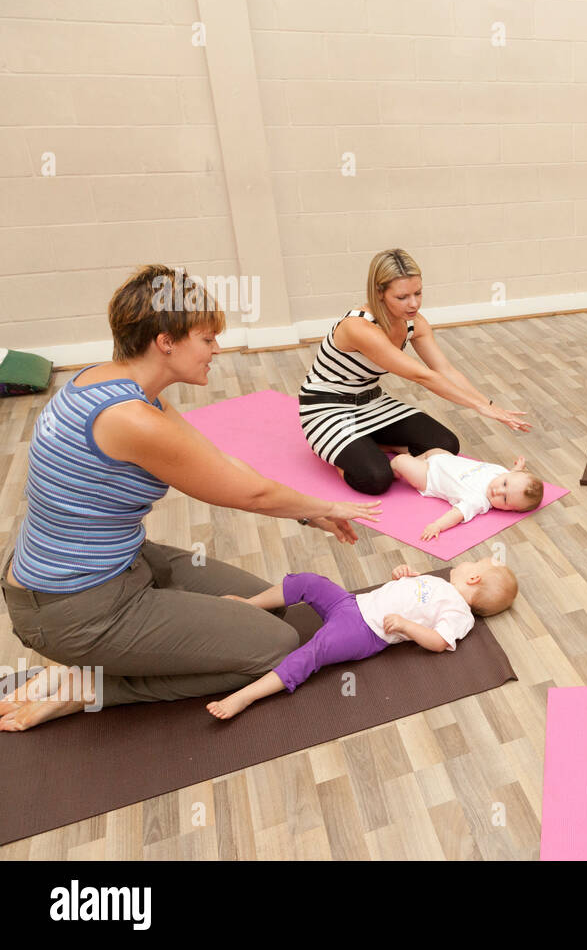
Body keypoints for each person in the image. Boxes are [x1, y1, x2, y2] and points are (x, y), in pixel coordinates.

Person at [0, 266, 380, 732]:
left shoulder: (110, 383)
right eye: (207, 339)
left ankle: (110, 656)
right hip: (74, 607)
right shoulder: (131, 419)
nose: (216, 349)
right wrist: (329, 506)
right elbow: (250, 494)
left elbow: (219, 462)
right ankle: (91, 686)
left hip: (121, 565)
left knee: (268, 603)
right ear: (166, 342)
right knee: (274, 648)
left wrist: (306, 514)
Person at [299, 248, 530, 495]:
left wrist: (488, 404)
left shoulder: (414, 322)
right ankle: (336, 450)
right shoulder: (358, 327)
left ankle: (370, 443)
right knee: (376, 478)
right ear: (379, 293)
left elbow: (444, 369)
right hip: (327, 408)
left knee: (446, 445)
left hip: (373, 403)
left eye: (418, 293)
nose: (414, 303)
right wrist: (478, 407)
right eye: (402, 297)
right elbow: (422, 376)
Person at [206, 558, 517, 720]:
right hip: (351, 603)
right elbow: (413, 596)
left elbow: (438, 641)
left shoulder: (460, 613)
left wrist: (406, 626)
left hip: (364, 632)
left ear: (473, 577)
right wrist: (405, 575)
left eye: (475, 562)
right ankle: (249, 605)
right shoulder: (441, 585)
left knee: (312, 652)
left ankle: (245, 696)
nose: (466, 562)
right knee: (308, 581)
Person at [389, 448, 544, 541]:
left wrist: (437, 526)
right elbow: (513, 476)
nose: (498, 491)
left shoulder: (478, 501)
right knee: (434, 450)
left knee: (400, 461)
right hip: (443, 459)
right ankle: (412, 457)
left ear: (508, 509)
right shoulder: (502, 473)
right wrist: (518, 469)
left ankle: (395, 470)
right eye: (504, 484)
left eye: (504, 499)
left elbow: (456, 514)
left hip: (429, 476)